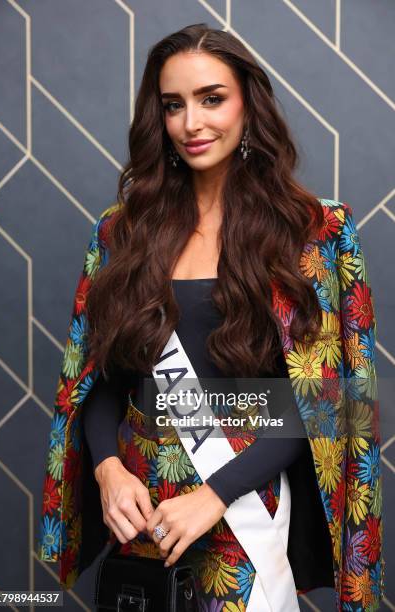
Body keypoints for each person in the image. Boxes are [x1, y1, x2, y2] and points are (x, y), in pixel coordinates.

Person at [37, 23, 384, 611]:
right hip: (140, 518)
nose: (191, 124)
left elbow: (323, 404)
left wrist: (215, 494)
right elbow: (103, 381)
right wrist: (107, 471)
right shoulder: (123, 230)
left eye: (212, 99)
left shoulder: (315, 232)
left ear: (250, 102)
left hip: (242, 513)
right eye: (174, 106)